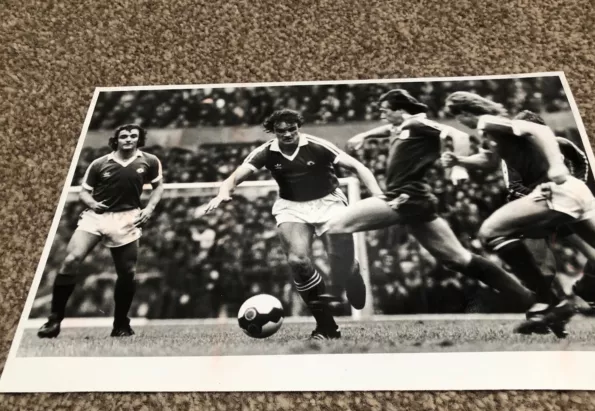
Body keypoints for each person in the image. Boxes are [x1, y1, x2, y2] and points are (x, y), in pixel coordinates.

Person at [322, 89, 537, 315]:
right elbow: (390, 128)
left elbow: (459, 136)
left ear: (401, 111)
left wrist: (458, 168)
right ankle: (526, 298)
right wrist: (365, 135)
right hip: (416, 201)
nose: (382, 115)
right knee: (457, 258)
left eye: (385, 111)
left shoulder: (419, 125)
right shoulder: (405, 126)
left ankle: (339, 288)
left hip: (405, 197)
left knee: (336, 226)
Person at [441, 92, 595, 337]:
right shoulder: (489, 131)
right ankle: (549, 306)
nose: (460, 123)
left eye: (458, 117)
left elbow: (541, 132)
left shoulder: (488, 121)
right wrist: (460, 159)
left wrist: (556, 165)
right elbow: (490, 159)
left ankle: (547, 303)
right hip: (570, 195)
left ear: (464, 114)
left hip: (555, 192)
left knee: (490, 232)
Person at [204, 109, 381, 340]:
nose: (288, 134)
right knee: (297, 261)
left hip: (329, 203)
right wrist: (223, 193)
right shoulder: (267, 152)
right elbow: (235, 176)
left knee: (343, 264)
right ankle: (327, 326)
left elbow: (359, 168)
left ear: (299, 127)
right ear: (274, 132)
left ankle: (353, 274)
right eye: (281, 131)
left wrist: (378, 195)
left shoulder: (317, 146)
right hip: (292, 206)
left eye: (292, 129)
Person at [38, 124, 164, 338]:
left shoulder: (150, 161)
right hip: (96, 217)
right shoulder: (99, 164)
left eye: (133, 136)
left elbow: (158, 186)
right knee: (70, 260)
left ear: (139, 139)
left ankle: (121, 324)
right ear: (116, 140)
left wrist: (149, 208)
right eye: (124, 136)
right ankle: (54, 320)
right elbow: (83, 193)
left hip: (127, 218)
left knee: (127, 273)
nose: (128, 139)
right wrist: (93, 203)